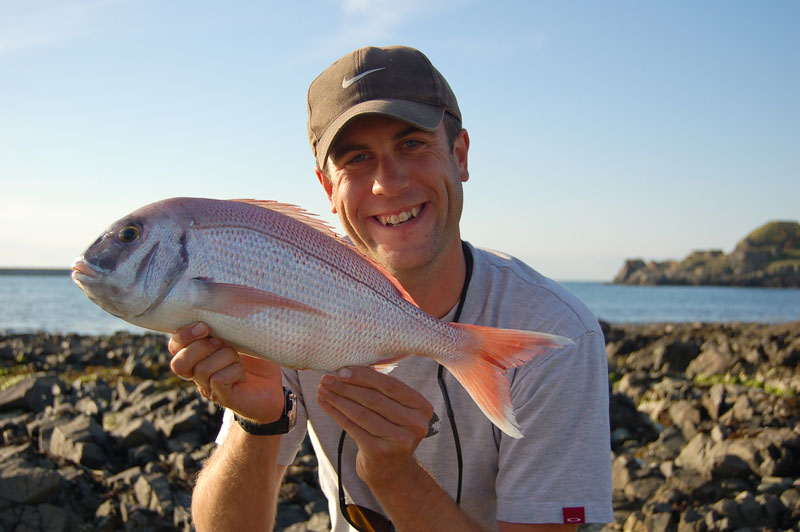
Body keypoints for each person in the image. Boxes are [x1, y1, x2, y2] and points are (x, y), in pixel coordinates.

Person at [168, 45, 614, 532]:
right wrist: (258, 424)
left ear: (459, 154)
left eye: (412, 144)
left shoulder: (553, 331)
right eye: (357, 159)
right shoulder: (293, 290)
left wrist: (394, 473)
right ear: (327, 188)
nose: (386, 182)